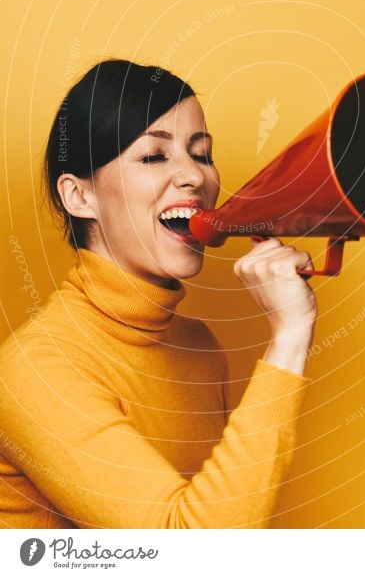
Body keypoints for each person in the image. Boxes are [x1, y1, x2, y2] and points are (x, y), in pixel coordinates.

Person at [0, 59, 317, 529]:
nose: (196, 177)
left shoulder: (199, 348)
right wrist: (290, 337)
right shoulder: (34, 372)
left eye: (203, 154)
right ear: (79, 197)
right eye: (154, 156)